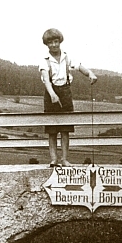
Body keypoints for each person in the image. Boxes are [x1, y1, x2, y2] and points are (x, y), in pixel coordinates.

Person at [39, 28, 97, 167]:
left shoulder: (67, 57)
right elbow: (46, 80)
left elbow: (79, 66)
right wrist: (52, 94)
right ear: (46, 45)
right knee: (52, 130)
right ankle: (54, 159)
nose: (53, 45)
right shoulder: (44, 61)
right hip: (51, 94)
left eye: (56, 41)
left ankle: (64, 159)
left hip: (65, 93)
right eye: (50, 42)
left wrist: (90, 74)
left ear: (60, 41)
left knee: (65, 130)